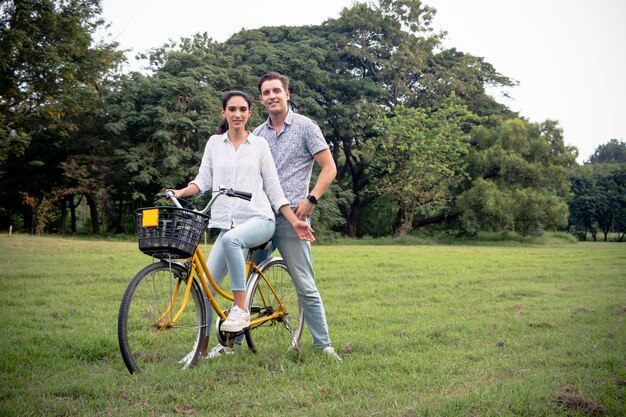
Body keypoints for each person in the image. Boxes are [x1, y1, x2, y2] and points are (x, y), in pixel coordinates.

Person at [170, 90, 315, 362]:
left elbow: (274, 189)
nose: (237, 114)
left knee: (232, 240)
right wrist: (179, 192)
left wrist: (294, 220)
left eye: (242, 110)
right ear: (223, 113)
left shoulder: (259, 145)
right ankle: (200, 350)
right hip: (227, 224)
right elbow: (202, 181)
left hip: (260, 220)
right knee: (206, 289)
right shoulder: (214, 143)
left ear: (249, 113)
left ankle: (240, 309)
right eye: (232, 109)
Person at [206, 72, 341, 361]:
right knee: (242, 286)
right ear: (262, 99)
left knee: (305, 284)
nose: (272, 96)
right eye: (266, 92)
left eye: (276, 91)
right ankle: (232, 345)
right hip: (258, 218)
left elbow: (329, 169)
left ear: (287, 94)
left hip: (292, 219)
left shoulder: (306, 127)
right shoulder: (258, 135)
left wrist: (311, 199)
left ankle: (323, 346)